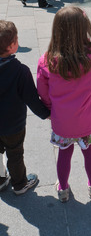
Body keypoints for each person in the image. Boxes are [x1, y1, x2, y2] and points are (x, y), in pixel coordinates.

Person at [36, 7, 91, 202]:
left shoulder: (47, 60)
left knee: (64, 154)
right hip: (88, 119)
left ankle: (63, 189)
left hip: (63, 121)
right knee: (89, 151)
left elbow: (42, 90)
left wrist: (50, 109)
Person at [0, 20, 50, 194]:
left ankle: (0, 179)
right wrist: (47, 114)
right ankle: (20, 184)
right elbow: (32, 99)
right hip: (13, 125)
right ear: (13, 45)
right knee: (14, 153)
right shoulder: (20, 71)